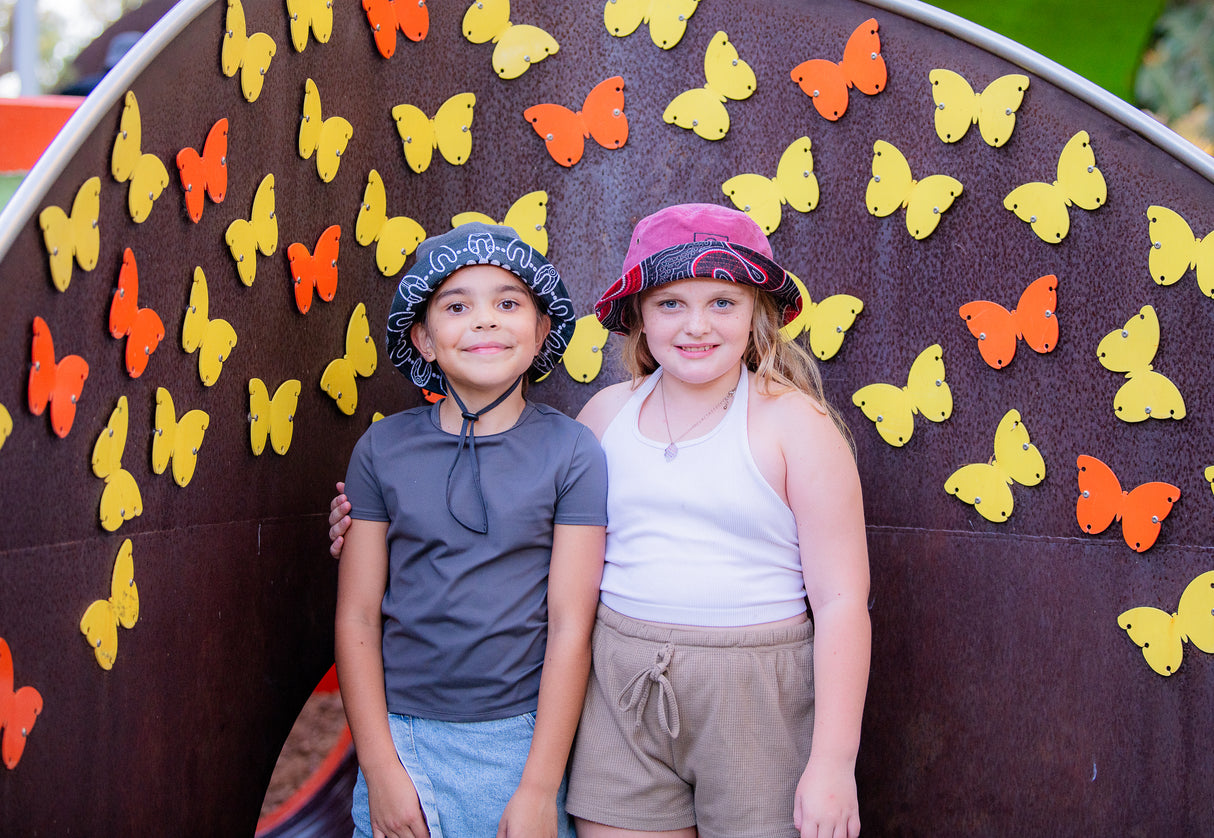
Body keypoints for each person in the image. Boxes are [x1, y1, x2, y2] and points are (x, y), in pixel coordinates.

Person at [331, 204, 870, 838]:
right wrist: (370, 524)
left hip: (753, 687)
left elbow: (841, 601)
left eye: (722, 301)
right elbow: (524, 529)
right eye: (671, 303)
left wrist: (833, 763)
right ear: (639, 316)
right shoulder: (606, 418)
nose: (696, 325)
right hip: (620, 681)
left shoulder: (797, 425)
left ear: (758, 312)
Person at [335, 221, 607, 838]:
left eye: (508, 303)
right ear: (425, 340)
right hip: (402, 739)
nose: (485, 321)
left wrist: (539, 787)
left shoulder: (572, 452)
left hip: (524, 738)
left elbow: (571, 625)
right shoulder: (382, 449)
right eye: (458, 307)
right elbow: (357, 616)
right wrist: (380, 769)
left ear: (541, 333)